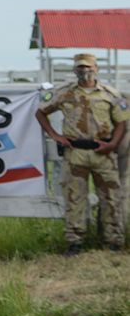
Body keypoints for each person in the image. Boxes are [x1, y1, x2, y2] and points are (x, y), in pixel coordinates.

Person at [36, 53, 129, 254]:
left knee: (111, 197)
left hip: (103, 153)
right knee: (75, 198)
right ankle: (75, 241)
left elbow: (121, 122)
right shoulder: (64, 93)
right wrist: (54, 135)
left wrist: (112, 144)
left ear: (96, 68)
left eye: (88, 67)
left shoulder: (111, 94)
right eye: (80, 68)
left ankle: (113, 241)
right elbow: (41, 112)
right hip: (75, 152)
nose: (84, 71)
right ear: (74, 70)